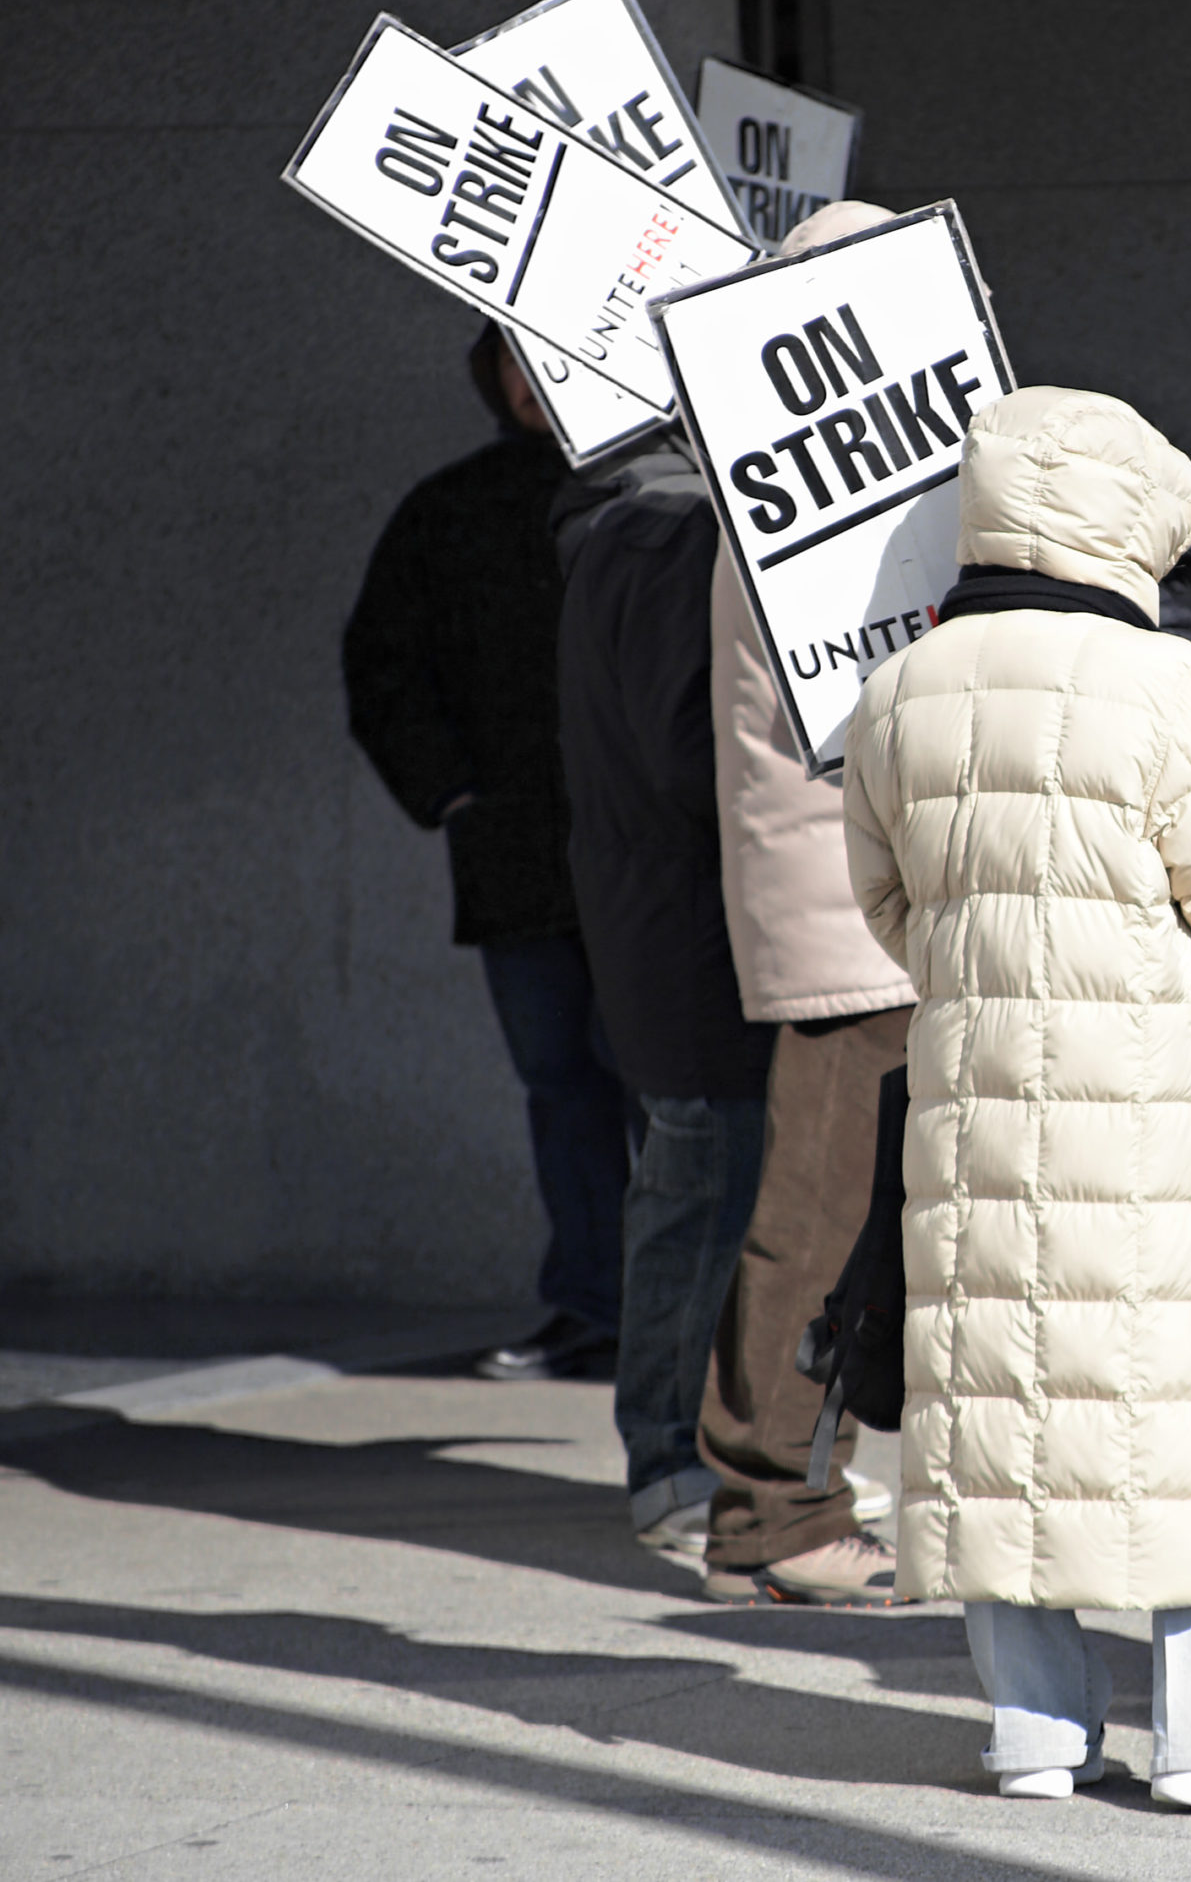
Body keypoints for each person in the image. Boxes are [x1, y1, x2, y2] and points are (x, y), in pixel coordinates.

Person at [841, 385, 1191, 1810]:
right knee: (1167, 1400)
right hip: (1152, 1111)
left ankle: (1033, 1726)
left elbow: (886, 904)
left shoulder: (901, 688)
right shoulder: (1169, 690)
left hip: (974, 1104)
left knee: (1003, 1402)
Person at [694, 200, 918, 1609]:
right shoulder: (814, 510)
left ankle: (799, 1476)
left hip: (853, 903)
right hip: (846, 915)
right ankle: (771, 1511)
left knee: (841, 1215)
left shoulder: (801, 488)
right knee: (816, 1220)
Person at [343, 324, 630, 1384]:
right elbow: (383, 665)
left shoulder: (661, 498)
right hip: (515, 852)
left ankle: (685, 1314)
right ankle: (594, 1305)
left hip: (647, 849)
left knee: (661, 1086)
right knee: (561, 1082)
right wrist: (454, 795)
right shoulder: (448, 510)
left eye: (548, 354)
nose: (531, 380)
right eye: (512, 358)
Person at [550, 411, 772, 1556]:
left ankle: (702, 1460)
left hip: (676, 914)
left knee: (707, 1179)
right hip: (694, 922)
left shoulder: (637, 524)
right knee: (703, 1184)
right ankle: (676, 1465)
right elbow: (693, 755)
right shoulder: (671, 532)